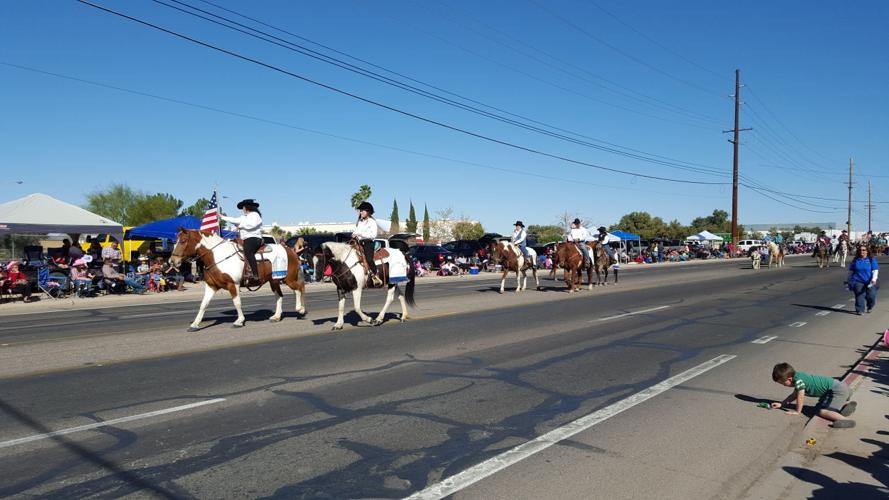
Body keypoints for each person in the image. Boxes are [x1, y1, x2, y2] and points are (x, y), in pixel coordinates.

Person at [770, 362, 856, 428]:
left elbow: (800, 397)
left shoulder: (798, 381)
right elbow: (793, 395)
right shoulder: (798, 377)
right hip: (840, 387)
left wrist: (797, 411)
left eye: (783, 383)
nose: (783, 385)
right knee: (819, 406)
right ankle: (845, 405)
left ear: (789, 379)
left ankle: (846, 420)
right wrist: (782, 404)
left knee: (823, 411)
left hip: (836, 391)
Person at [221, 199, 264, 287]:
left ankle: (255, 274)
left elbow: (251, 225)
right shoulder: (244, 217)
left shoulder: (255, 215)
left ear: (247, 207)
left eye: (243, 207)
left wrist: (240, 226)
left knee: (248, 252)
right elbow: (234, 220)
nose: (242, 209)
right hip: (246, 239)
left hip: (254, 238)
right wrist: (221, 217)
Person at [352, 201, 383, 287]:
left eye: (363, 210)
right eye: (360, 211)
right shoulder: (360, 222)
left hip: (368, 243)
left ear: (368, 212)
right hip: (359, 243)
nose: (361, 212)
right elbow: (356, 231)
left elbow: (373, 235)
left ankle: (375, 274)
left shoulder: (372, 222)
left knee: (369, 259)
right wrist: (354, 234)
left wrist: (360, 234)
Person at [846, 245, 879, 315]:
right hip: (858, 280)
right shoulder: (855, 260)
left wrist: (874, 279)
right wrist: (848, 280)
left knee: (871, 296)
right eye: (860, 250)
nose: (862, 251)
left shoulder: (871, 259)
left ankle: (870, 306)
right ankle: (860, 310)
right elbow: (851, 271)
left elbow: (875, 270)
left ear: (867, 251)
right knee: (859, 295)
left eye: (864, 250)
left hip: (870, 281)